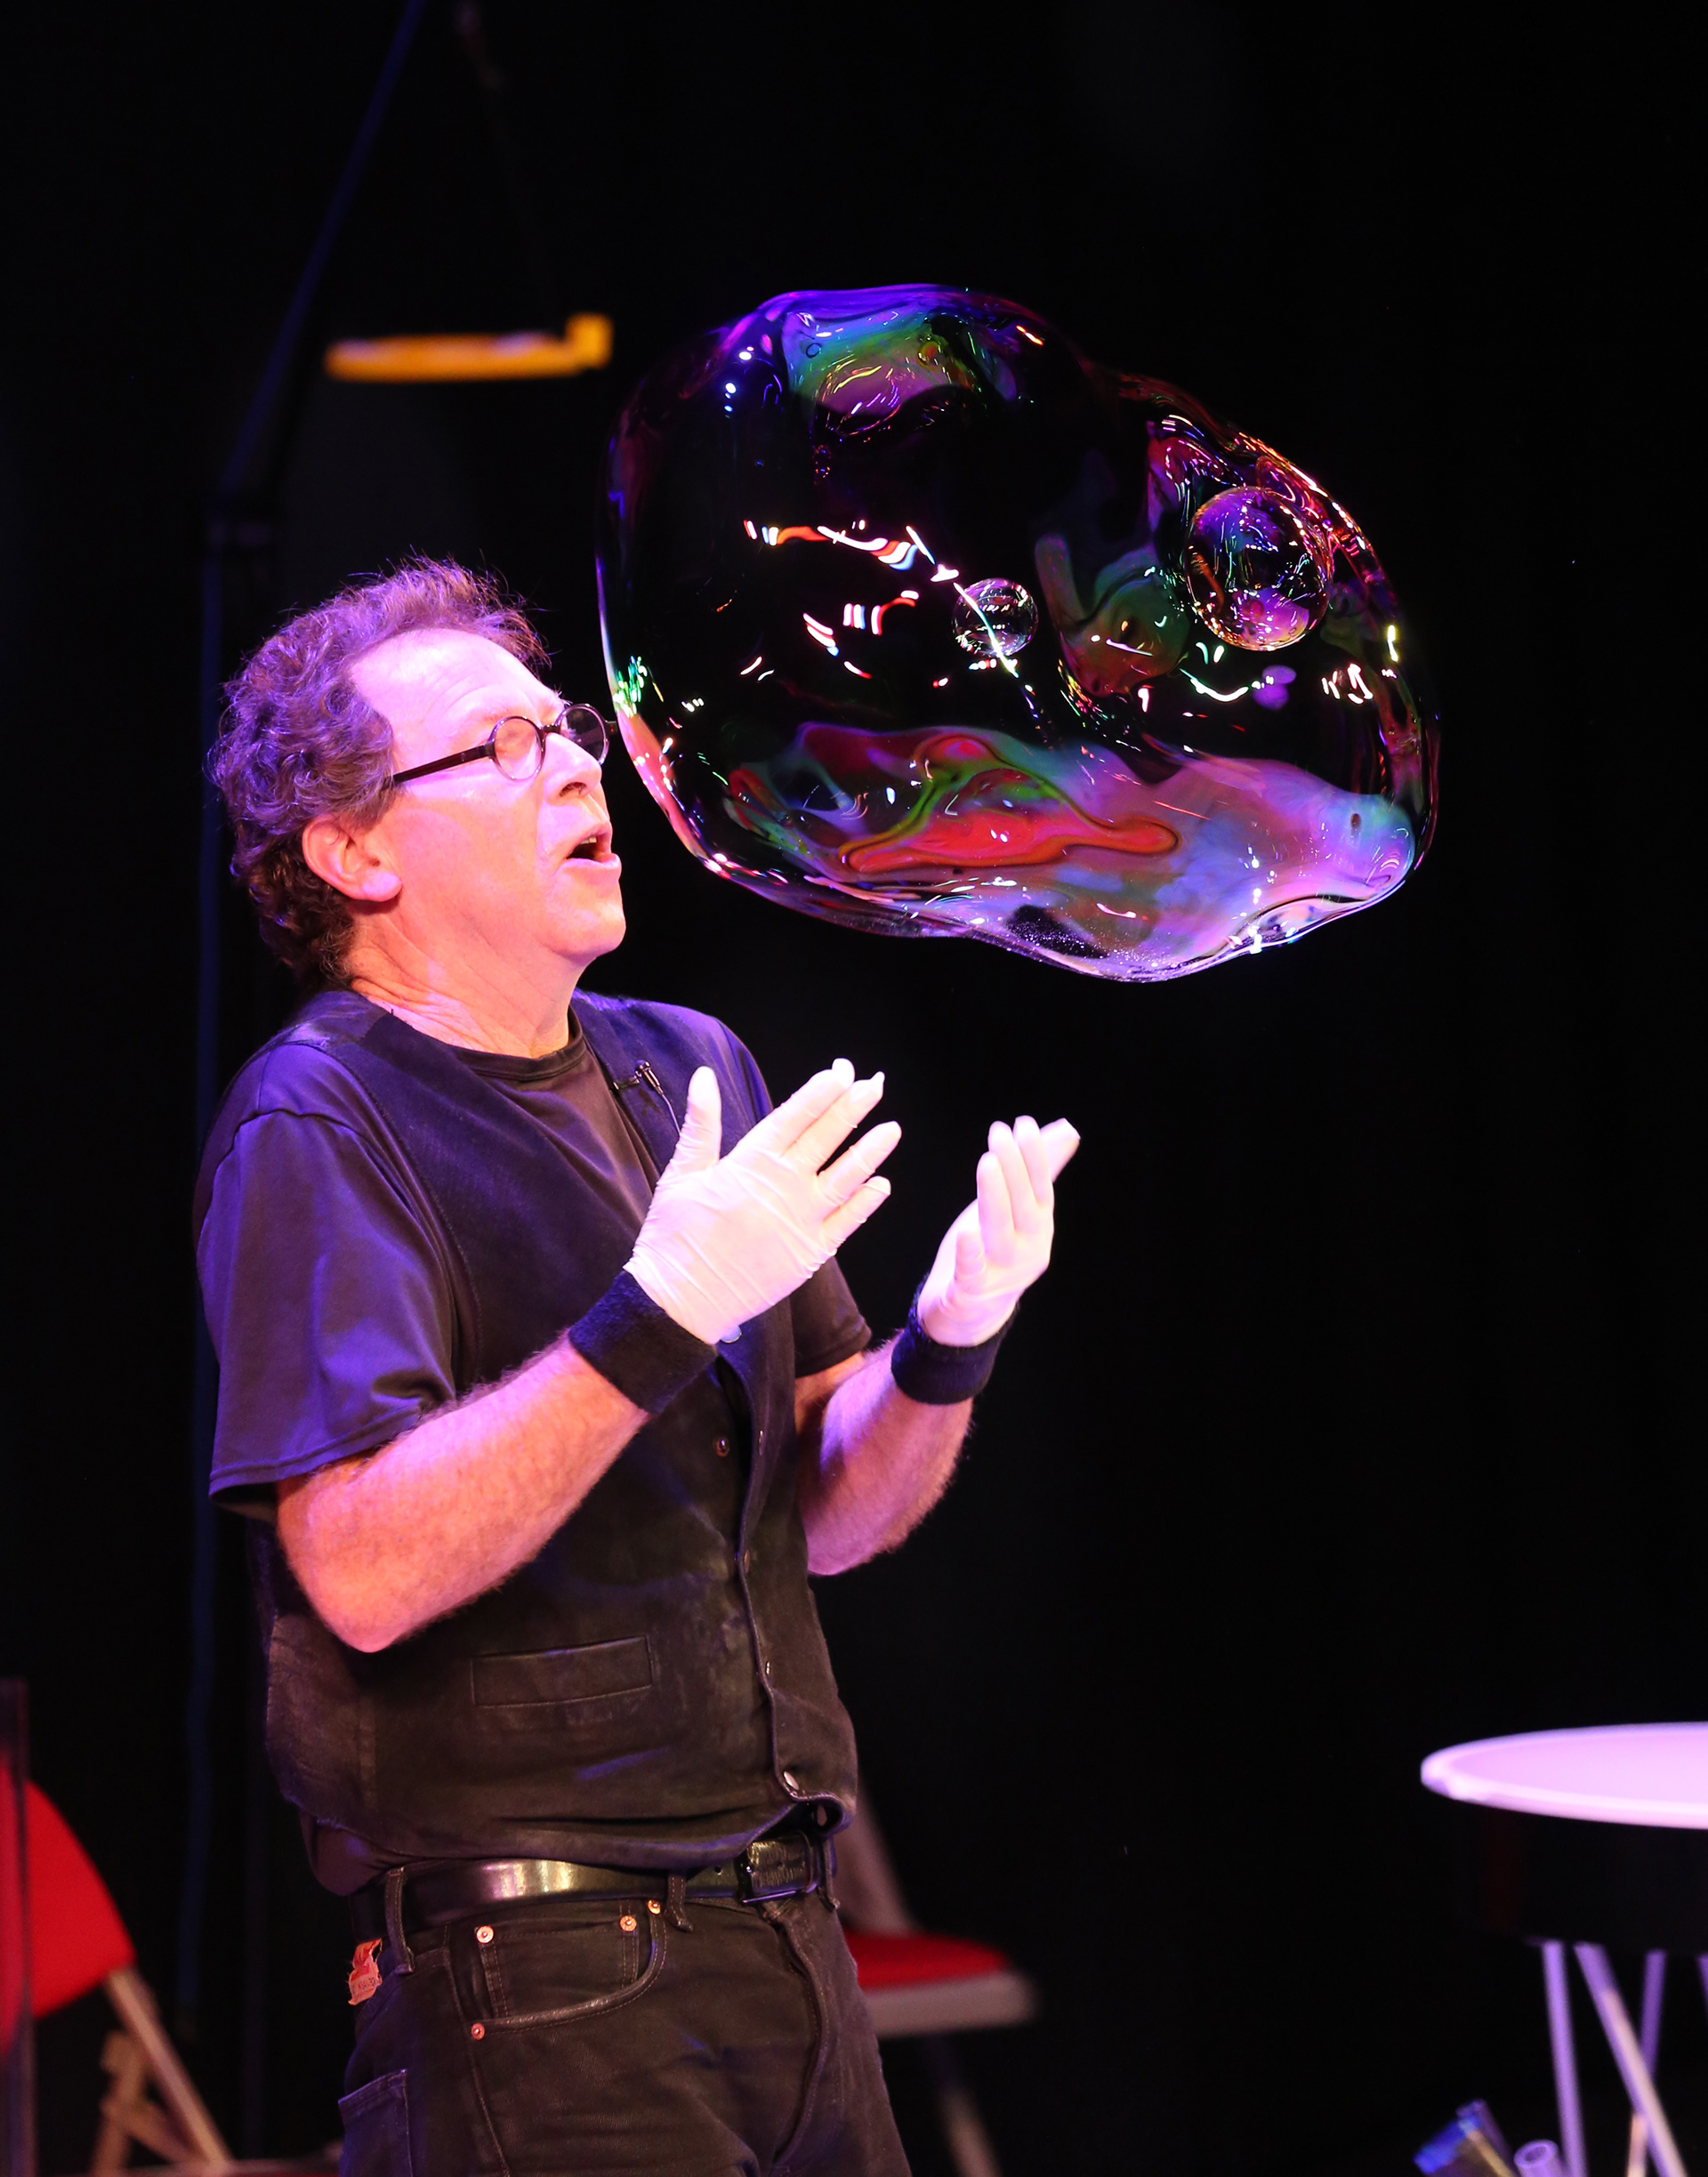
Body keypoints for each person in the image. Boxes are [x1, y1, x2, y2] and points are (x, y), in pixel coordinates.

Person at [197, 560, 1077, 2175]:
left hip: (787, 1931)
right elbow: (363, 1570)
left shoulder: (687, 1067)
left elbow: (830, 1517)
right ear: (355, 852)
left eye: (568, 731)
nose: (572, 767)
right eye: (499, 747)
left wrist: (947, 1347)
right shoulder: (320, 1117)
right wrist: (653, 1313)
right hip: (541, 1984)